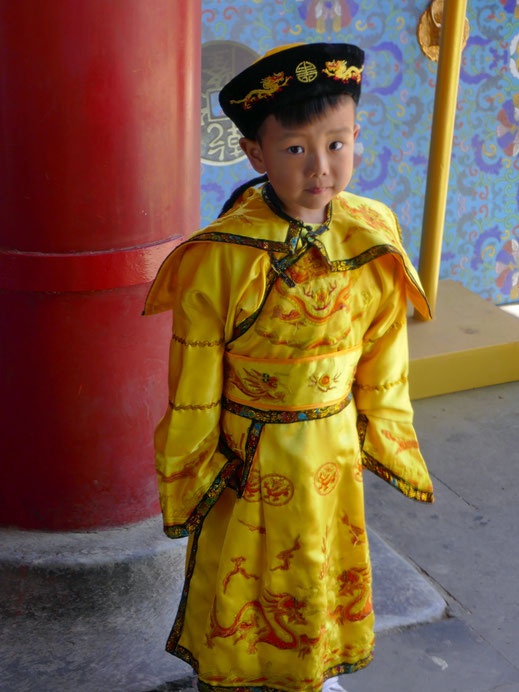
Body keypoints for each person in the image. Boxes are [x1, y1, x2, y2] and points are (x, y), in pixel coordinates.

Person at [144, 42, 434, 692]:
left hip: (331, 446)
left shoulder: (370, 232)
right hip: (253, 452)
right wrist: (196, 464)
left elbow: (385, 348)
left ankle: (314, 668)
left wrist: (376, 431)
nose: (320, 168)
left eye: (336, 144)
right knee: (244, 567)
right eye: (296, 148)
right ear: (254, 154)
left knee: (319, 561)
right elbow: (193, 376)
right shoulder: (220, 257)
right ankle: (235, 673)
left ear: (357, 137)